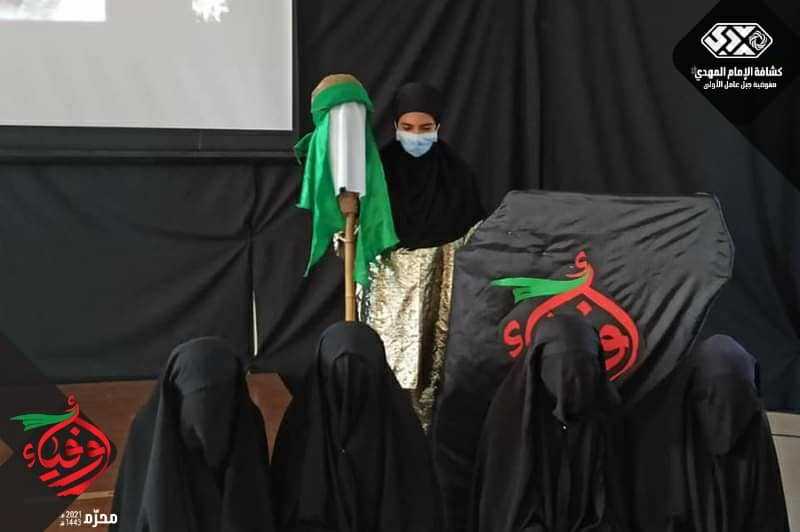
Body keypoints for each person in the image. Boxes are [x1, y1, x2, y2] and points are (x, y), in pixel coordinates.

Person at [360, 81, 485, 428]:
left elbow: (474, 237)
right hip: (387, 294)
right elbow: (360, 236)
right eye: (408, 127)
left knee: (434, 371)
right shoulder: (377, 172)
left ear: (438, 127)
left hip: (440, 291)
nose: (416, 136)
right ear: (395, 126)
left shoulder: (456, 175)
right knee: (386, 371)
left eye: (425, 128)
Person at [270, 322, 442, 532]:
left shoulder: (407, 444)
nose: (349, 390)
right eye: (338, 377)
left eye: (363, 376)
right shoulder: (298, 438)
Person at [468, 315, 627, 532]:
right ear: (539, 366)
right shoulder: (510, 421)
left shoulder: (605, 418)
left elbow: (613, 502)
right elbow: (504, 509)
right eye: (563, 371)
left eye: (585, 369)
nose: (575, 383)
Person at [110, 337, 275, 532]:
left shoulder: (248, 427)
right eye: (198, 404)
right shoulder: (146, 433)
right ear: (176, 400)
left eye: (220, 407)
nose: (209, 422)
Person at [626, 335, 789, 531]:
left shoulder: (752, 431)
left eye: (738, 401)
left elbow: (769, 516)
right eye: (708, 397)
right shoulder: (659, 442)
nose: (724, 418)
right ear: (690, 390)